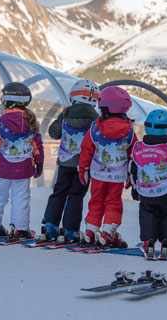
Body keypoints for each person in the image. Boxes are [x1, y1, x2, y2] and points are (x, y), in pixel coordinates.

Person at [0, 82, 44, 239]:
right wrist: (39, 163)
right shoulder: (31, 121)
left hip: (3, 166)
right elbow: (37, 146)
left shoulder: (0, 122)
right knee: (21, 197)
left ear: (7, 100)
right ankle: (21, 228)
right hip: (23, 168)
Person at [79, 86, 137, 247]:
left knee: (96, 200)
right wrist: (132, 175)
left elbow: (86, 150)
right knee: (113, 202)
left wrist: (83, 169)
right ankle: (108, 231)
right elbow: (134, 153)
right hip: (117, 175)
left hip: (98, 173)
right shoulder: (129, 130)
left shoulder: (95, 128)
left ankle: (90, 231)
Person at [42, 79, 99, 242]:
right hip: (84, 166)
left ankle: (50, 225)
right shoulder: (96, 118)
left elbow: (54, 133)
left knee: (59, 193)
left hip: (65, 162)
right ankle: (70, 229)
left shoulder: (65, 113)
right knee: (76, 196)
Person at [130, 109, 167, 259]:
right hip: (166, 191)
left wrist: (135, 189)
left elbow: (133, 169)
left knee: (147, 215)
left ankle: (148, 242)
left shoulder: (138, 148)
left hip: (145, 191)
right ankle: (166, 244)